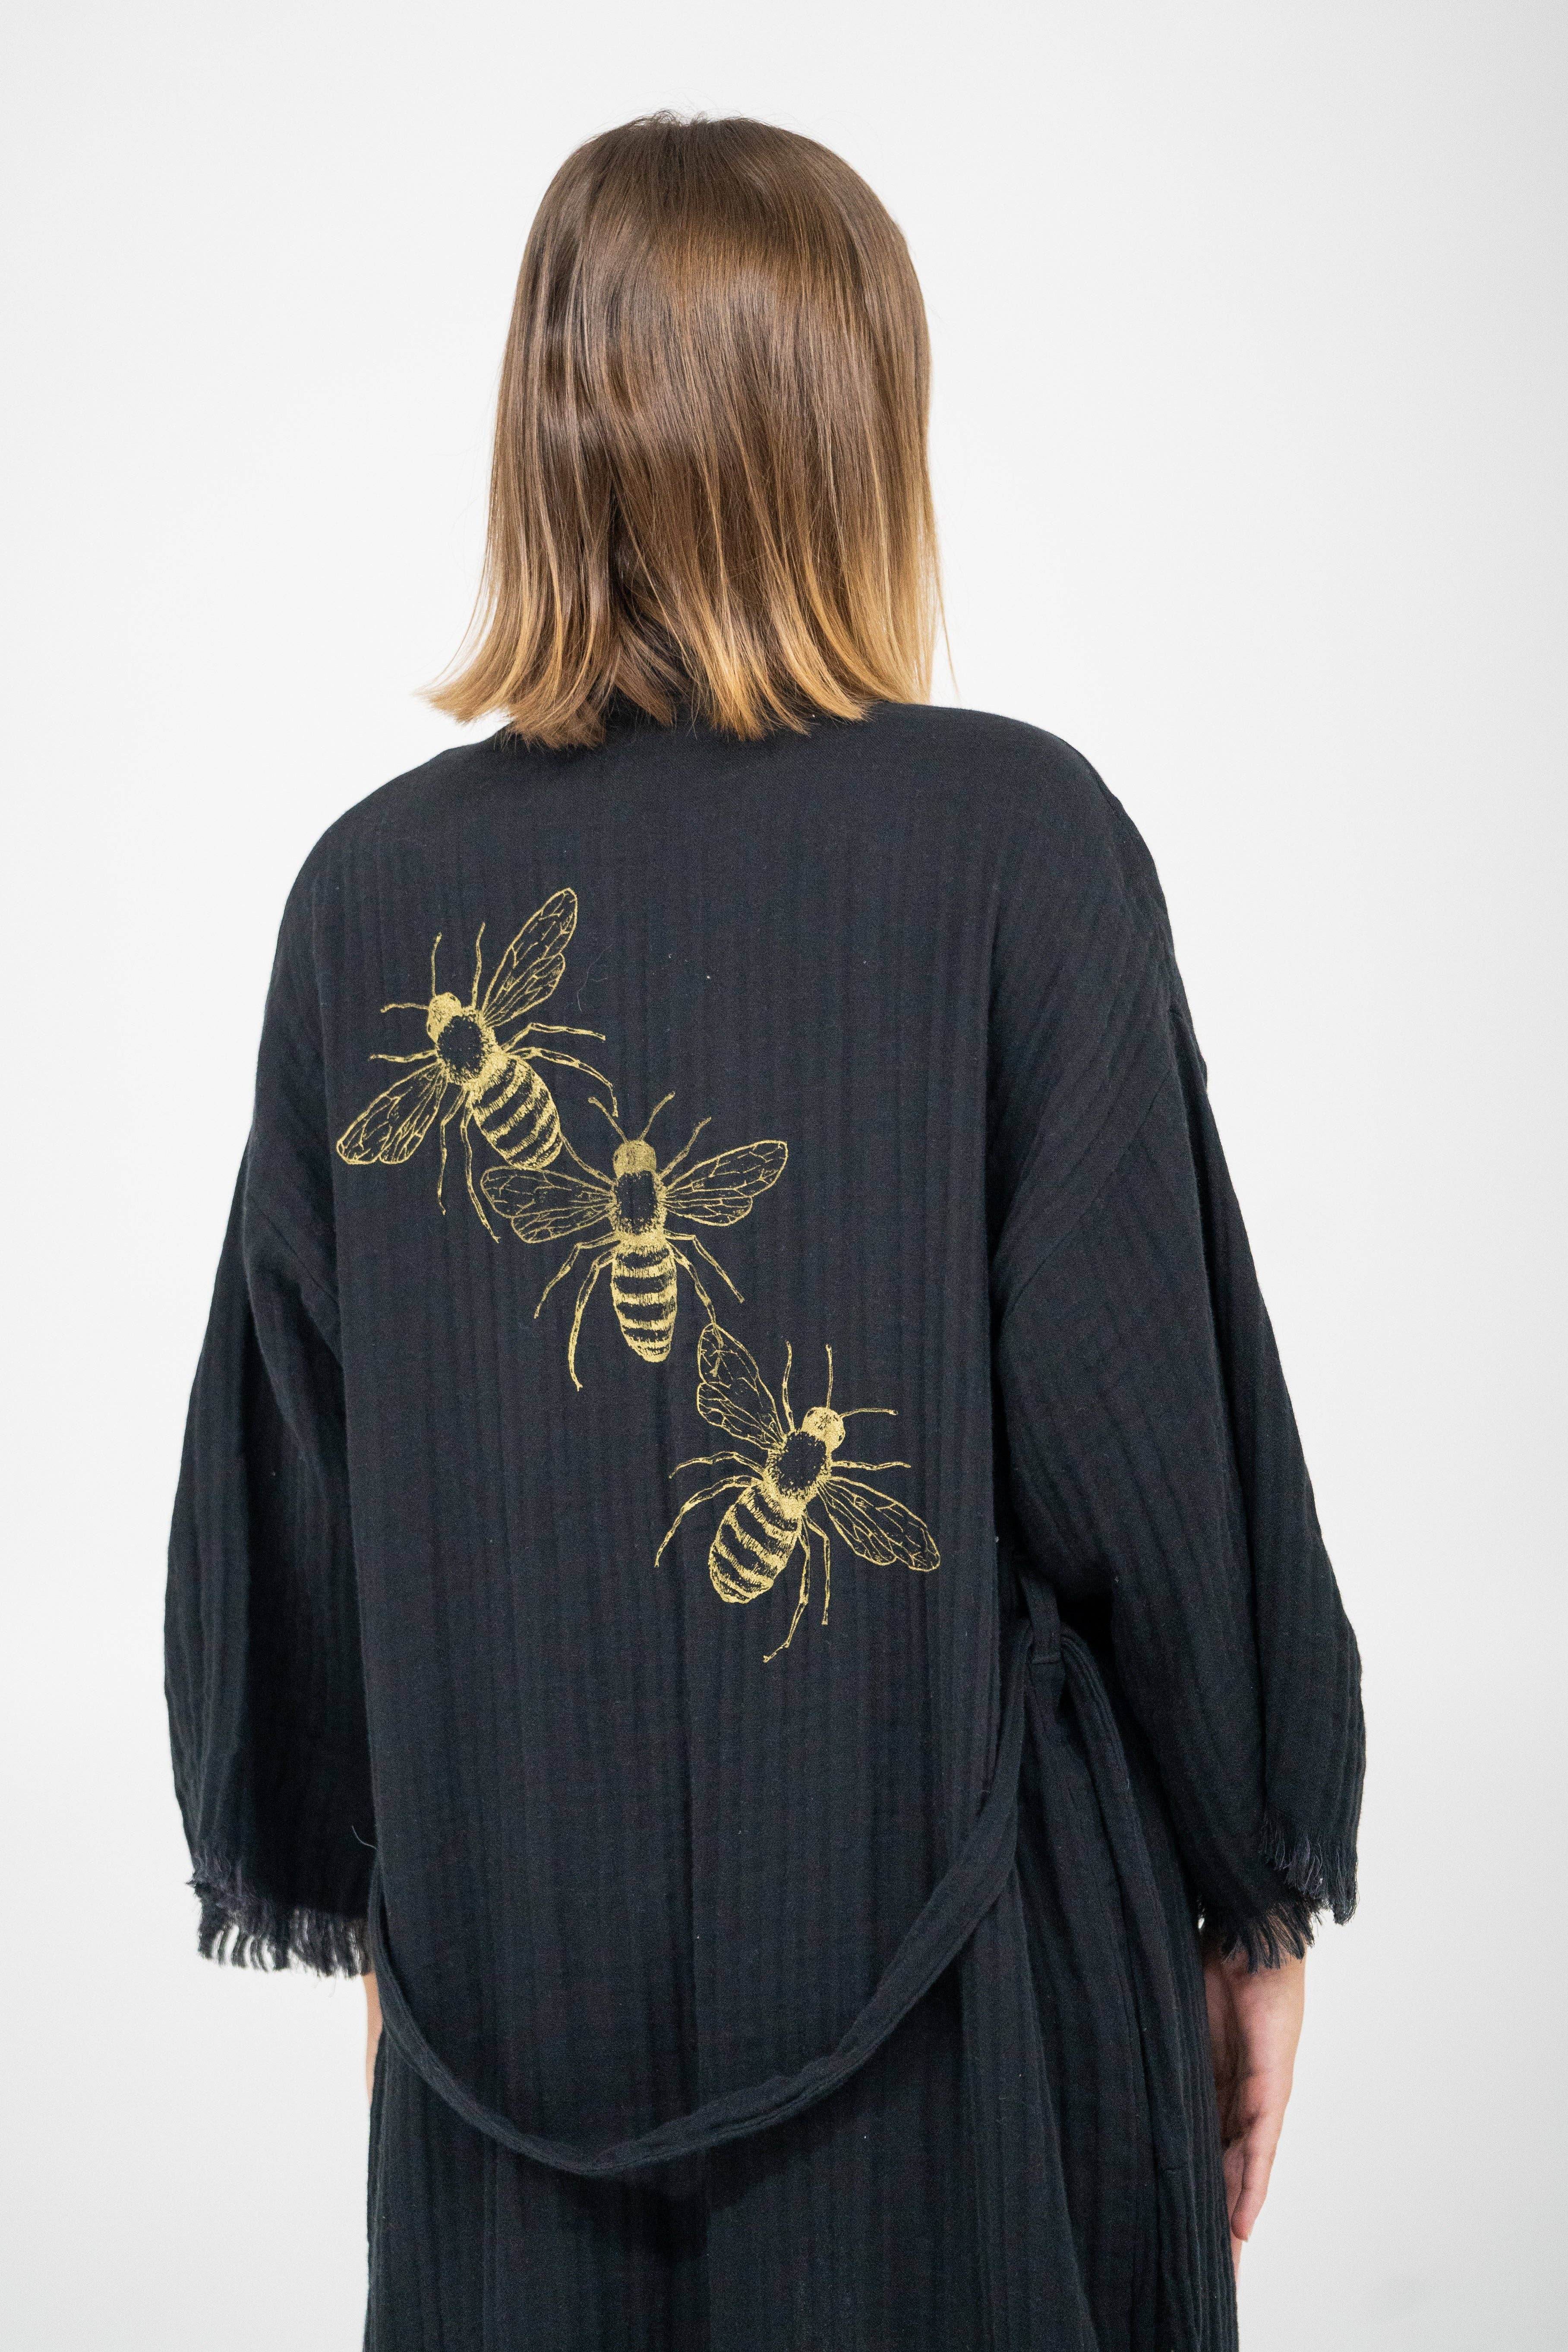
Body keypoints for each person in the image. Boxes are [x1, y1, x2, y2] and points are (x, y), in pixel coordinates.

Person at [166, 112, 1364, 2352]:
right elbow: (1146, 1451)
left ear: (545, 429)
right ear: (860, 423)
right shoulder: (1012, 846)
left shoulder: (370, 908)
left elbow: (308, 1500)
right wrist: (1257, 1891)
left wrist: (398, 1943)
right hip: (967, 2031)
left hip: (510, 2028)